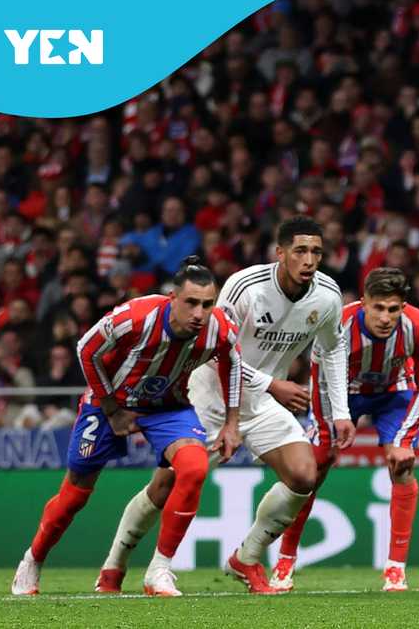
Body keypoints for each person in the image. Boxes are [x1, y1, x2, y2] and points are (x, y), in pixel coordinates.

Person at [94, 217, 352, 595]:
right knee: (165, 487)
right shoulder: (246, 286)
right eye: (300, 251)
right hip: (209, 396)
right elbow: (216, 350)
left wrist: (341, 411)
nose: (309, 259)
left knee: (303, 475)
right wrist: (271, 383)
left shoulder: (327, 296)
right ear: (280, 253)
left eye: (316, 251)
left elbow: (333, 349)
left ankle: (246, 558)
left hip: (261, 403)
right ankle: (114, 565)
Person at [11, 257, 243, 597]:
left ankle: (159, 570)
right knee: (74, 496)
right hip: (111, 402)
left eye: (207, 304)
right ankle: (33, 559)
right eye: (191, 303)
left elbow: (233, 364)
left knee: (193, 468)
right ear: (172, 298)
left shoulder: (219, 328)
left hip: (168, 406)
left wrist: (232, 423)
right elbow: (86, 349)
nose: (199, 313)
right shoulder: (135, 316)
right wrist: (111, 409)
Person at [273, 267, 419, 592]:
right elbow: (320, 378)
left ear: (403, 307)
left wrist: (404, 440)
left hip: (394, 393)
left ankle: (395, 570)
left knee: (402, 464)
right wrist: (327, 430)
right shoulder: (339, 327)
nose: (385, 317)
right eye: (378, 307)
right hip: (342, 393)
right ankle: (285, 560)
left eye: (393, 309)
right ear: (364, 303)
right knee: (313, 469)